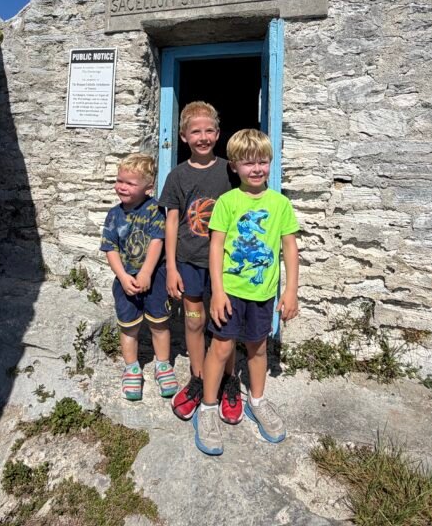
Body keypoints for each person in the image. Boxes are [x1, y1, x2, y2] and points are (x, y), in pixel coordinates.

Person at [193, 129, 301, 456]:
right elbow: (215, 249)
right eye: (248, 163)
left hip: (263, 294)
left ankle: (256, 401)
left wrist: (291, 290)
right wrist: (219, 292)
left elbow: (290, 249)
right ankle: (208, 408)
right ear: (235, 167)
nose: (256, 169)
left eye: (263, 162)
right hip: (230, 291)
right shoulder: (228, 202)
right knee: (222, 349)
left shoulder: (280, 204)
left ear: (270, 163)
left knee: (257, 349)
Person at [159, 101, 241, 423]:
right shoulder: (177, 176)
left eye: (209, 130)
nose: (203, 137)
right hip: (189, 262)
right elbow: (171, 222)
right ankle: (198, 378)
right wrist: (171, 267)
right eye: (196, 131)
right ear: (183, 136)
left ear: (218, 134)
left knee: (225, 324)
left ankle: (229, 380)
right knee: (193, 320)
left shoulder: (229, 171)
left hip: (225, 263)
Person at [100, 153, 178, 401]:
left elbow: (158, 241)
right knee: (128, 326)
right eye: (119, 180)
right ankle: (132, 368)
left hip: (154, 278)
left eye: (130, 183)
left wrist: (146, 272)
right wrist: (123, 277)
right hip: (126, 279)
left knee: (159, 323)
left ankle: (163, 365)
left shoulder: (155, 210)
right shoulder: (114, 215)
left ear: (148, 188)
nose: (121, 186)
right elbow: (109, 248)